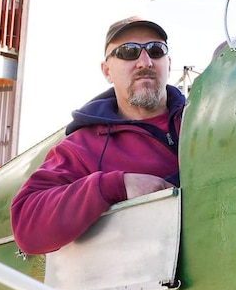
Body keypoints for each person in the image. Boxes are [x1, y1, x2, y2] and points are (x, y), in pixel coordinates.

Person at [11, 16, 185, 255]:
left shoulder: (205, 119)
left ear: (168, 62)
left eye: (156, 50)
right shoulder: (81, 147)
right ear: (107, 71)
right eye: (128, 52)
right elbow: (27, 225)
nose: (145, 62)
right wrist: (115, 185)